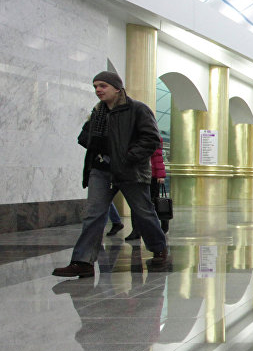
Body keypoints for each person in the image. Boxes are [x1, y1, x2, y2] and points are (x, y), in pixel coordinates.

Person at [53, 71, 171, 278]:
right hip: (101, 169)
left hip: (130, 170)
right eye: (95, 86)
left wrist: (127, 156)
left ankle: (159, 248)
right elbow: (84, 136)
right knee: (93, 215)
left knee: (143, 212)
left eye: (102, 86)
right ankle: (83, 261)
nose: (98, 90)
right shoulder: (98, 111)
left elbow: (151, 138)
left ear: (117, 88)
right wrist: (96, 145)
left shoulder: (137, 109)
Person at [126, 139, 169, 239]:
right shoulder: (133, 136)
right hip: (137, 174)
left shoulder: (153, 136)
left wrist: (160, 175)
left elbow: (158, 157)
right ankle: (136, 230)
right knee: (135, 203)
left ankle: (163, 222)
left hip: (152, 176)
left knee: (153, 202)